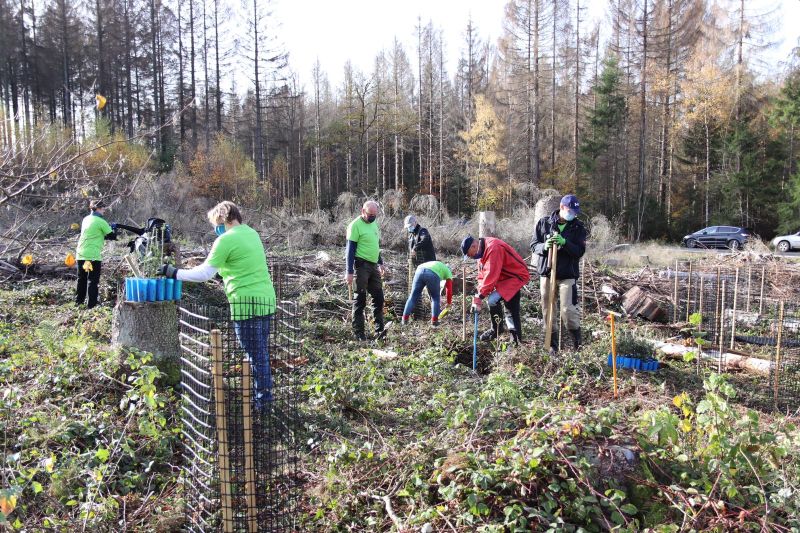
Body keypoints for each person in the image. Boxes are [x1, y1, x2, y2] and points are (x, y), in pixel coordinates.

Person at [159, 201, 276, 409]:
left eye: (216, 224)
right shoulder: (251, 233)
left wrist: (174, 272)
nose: (216, 229)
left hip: (245, 304)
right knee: (261, 353)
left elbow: (205, 273)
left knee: (256, 356)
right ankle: (263, 398)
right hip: (266, 300)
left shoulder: (226, 240)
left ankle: (263, 404)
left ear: (223, 219)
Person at [530, 194, 587, 353]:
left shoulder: (578, 227)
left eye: (575, 212)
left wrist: (565, 243)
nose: (573, 214)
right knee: (548, 311)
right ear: (562, 208)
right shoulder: (544, 223)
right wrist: (545, 246)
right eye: (570, 210)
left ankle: (577, 346)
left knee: (568, 311)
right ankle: (552, 347)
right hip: (547, 274)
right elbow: (534, 245)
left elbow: (579, 251)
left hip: (567, 275)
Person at [461, 234, 530, 344]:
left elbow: (491, 274)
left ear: (473, 246)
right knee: (496, 301)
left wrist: (480, 297)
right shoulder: (480, 254)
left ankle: (515, 341)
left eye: (469, 255)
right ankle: (497, 329)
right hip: (503, 278)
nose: (470, 257)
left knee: (508, 308)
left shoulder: (493, 248)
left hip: (515, 276)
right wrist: (479, 294)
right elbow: (481, 277)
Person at [345, 200, 386, 340]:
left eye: (375, 214)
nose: (373, 217)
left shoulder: (374, 224)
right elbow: (350, 250)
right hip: (361, 266)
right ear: (363, 211)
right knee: (360, 299)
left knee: (379, 297)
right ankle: (359, 333)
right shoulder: (355, 225)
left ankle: (379, 331)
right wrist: (349, 272)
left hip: (374, 266)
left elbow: (375, 245)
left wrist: (380, 263)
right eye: (370, 214)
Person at [75, 199, 117, 308]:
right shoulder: (101, 221)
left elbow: (96, 232)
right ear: (98, 209)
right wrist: (114, 229)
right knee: (92, 281)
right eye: (103, 208)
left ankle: (79, 302)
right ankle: (91, 306)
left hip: (81, 254)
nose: (104, 211)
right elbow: (112, 236)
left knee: (82, 279)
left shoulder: (86, 219)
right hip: (92, 256)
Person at [401, 261, 453, 326]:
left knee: (413, 297)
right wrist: (449, 303)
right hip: (432, 274)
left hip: (419, 270)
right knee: (435, 298)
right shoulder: (448, 271)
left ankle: (404, 320)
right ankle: (434, 321)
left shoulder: (439, 265)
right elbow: (449, 290)